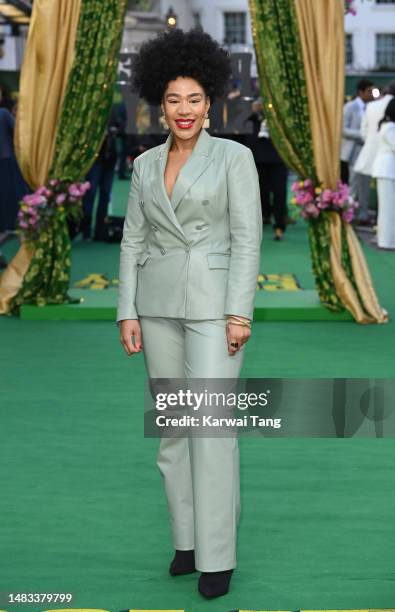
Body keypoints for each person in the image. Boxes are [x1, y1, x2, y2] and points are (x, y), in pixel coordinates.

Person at [116, 28, 262, 599]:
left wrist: (239, 314)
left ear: (212, 103)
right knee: (174, 429)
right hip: (156, 308)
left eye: (194, 99)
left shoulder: (235, 157)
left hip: (214, 309)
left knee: (212, 430)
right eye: (174, 99)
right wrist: (126, 309)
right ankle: (187, 542)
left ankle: (218, 556)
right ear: (159, 101)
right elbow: (132, 240)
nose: (183, 110)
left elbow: (248, 240)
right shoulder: (145, 164)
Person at [245, 99, 288, 240]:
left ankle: (280, 225)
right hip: (257, 159)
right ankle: (264, 216)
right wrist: (253, 111)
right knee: (260, 190)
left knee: (279, 192)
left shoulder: (281, 116)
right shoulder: (253, 117)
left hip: (278, 159)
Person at [353, 83, 395, 220]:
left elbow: (363, 131)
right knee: (387, 198)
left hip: (368, 154)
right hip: (389, 156)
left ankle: (362, 214)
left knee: (363, 190)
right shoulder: (389, 106)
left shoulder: (371, 106)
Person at [81, 106, 120, 241]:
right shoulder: (90, 109)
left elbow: (121, 128)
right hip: (95, 160)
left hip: (109, 160)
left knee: (104, 196)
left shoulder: (112, 111)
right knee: (90, 195)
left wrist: (114, 131)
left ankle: (99, 231)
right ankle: (85, 231)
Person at [340, 79, 375, 222]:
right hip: (353, 151)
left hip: (367, 151)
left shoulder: (372, 107)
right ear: (360, 92)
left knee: (365, 183)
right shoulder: (350, 106)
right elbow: (343, 129)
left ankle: (363, 213)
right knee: (353, 183)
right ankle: (349, 214)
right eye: (369, 91)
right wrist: (363, 135)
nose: (372, 94)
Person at [372, 98, 395, 249]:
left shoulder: (387, 126)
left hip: (386, 170)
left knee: (387, 207)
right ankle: (386, 241)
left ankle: (385, 239)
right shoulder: (390, 127)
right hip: (387, 170)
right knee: (388, 208)